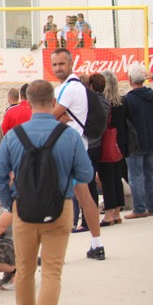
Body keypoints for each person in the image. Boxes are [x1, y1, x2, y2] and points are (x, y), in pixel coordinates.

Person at [0, 79, 94, 305]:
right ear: (52, 101)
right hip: (60, 209)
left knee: (24, 270)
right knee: (51, 272)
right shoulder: (69, 135)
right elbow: (86, 174)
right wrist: (65, 179)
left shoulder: (14, 136)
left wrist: (12, 201)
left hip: (23, 211)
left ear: (27, 102)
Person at [49, 48, 104, 259]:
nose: (58, 68)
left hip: (66, 148)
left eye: (61, 64)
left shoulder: (69, 88)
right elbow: (54, 114)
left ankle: (51, 251)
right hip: (78, 146)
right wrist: (56, 114)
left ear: (70, 64)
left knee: (56, 198)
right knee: (85, 197)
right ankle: (97, 244)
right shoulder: (71, 87)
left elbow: (48, 115)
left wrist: (56, 114)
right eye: (54, 64)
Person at [124, 62, 153, 219]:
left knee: (136, 176)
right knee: (150, 174)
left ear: (129, 79)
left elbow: (126, 122)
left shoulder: (129, 99)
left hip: (136, 142)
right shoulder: (152, 95)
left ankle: (140, 208)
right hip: (152, 138)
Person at [98, 71, 130, 226]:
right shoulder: (122, 101)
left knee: (107, 179)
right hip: (121, 142)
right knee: (117, 178)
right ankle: (117, 212)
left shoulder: (103, 102)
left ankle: (109, 214)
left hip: (107, 143)